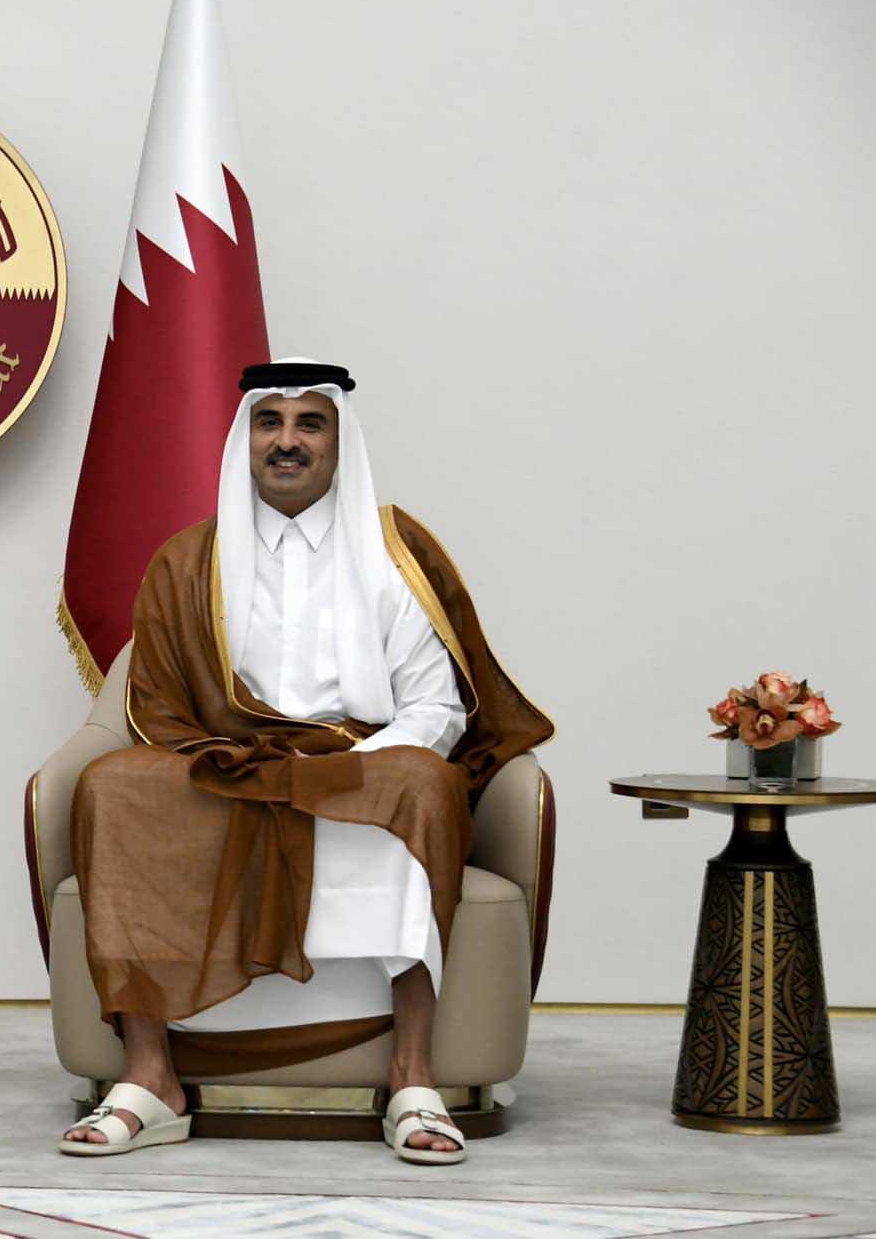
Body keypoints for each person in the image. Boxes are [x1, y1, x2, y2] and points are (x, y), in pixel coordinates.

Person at [60, 360, 550, 1164]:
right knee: (113, 786)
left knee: (424, 782)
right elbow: (161, 709)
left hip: (354, 764)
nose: (287, 442)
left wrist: (339, 769)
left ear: (338, 442)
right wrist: (257, 768)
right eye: (270, 423)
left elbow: (436, 709)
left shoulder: (393, 554)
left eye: (309, 424)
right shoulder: (188, 562)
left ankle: (411, 1076)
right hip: (227, 763)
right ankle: (151, 1076)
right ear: (246, 439)